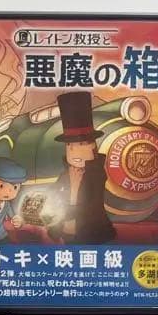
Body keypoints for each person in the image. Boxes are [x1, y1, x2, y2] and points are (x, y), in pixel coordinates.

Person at [46, 92, 116, 244]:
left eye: (81, 144)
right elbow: (53, 199)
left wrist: (75, 188)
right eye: (69, 145)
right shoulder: (65, 175)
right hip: (65, 237)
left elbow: (89, 209)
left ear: (93, 146)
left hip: (90, 237)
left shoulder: (96, 175)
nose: (73, 151)